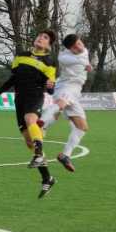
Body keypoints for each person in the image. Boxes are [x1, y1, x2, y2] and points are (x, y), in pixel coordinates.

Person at [0, 30, 58, 198]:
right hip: (19, 100)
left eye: (46, 38)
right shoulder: (21, 56)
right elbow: (13, 79)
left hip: (35, 95)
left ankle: (39, 153)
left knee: (30, 119)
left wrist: (50, 86)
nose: (41, 38)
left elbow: (51, 87)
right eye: (40, 35)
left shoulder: (50, 62)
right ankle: (48, 178)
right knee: (28, 142)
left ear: (49, 45)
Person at [39, 34, 91, 172]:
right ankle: (41, 123)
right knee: (61, 104)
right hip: (66, 87)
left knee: (82, 127)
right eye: (75, 47)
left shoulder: (84, 50)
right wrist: (87, 65)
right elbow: (81, 61)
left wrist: (87, 64)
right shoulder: (64, 57)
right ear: (70, 49)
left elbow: (83, 56)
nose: (79, 47)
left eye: (80, 43)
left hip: (76, 91)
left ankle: (65, 155)